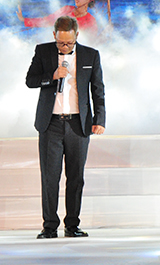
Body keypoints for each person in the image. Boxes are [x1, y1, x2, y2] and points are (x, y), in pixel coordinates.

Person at [25, 15, 105, 239]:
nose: (65, 46)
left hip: (78, 124)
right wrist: (51, 76)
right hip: (50, 123)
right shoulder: (43, 52)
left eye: (69, 43)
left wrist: (100, 120)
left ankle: (72, 225)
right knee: (50, 177)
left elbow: (98, 90)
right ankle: (49, 226)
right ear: (54, 36)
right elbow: (30, 80)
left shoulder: (91, 55)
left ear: (77, 36)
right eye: (61, 42)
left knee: (76, 176)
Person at [17, 0, 98, 33]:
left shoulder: (91, 20)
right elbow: (47, 21)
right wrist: (24, 20)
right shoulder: (67, 9)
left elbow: (93, 42)